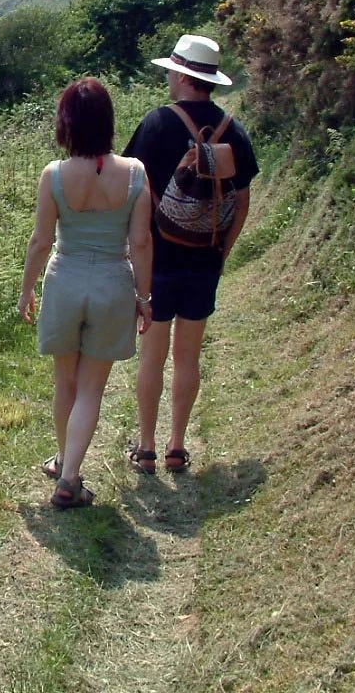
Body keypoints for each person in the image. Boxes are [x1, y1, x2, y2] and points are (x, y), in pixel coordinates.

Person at [122, 34, 259, 474]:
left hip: (159, 261)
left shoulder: (157, 124)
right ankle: (177, 446)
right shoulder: (232, 131)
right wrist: (222, 252)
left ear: (182, 75)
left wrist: (132, 249)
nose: (167, 75)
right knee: (188, 356)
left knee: (152, 355)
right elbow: (242, 201)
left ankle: (145, 447)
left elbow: (133, 190)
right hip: (204, 260)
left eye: (170, 69)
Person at [18, 77, 154, 509]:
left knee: (65, 381)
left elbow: (40, 241)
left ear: (65, 123)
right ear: (109, 122)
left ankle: (65, 465)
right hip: (113, 282)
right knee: (92, 388)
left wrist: (26, 290)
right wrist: (144, 297)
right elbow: (141, 243)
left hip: (65, 280)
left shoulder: (54, 175)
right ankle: (69, 473)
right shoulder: (135, 173)